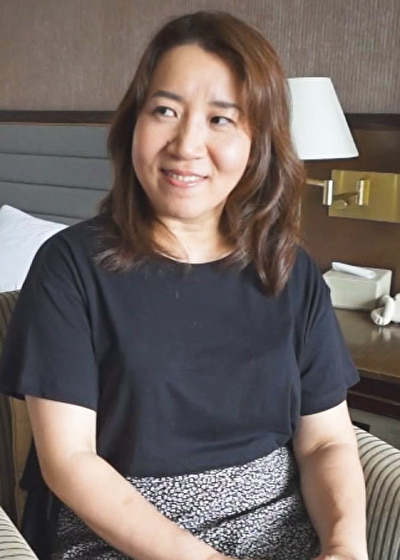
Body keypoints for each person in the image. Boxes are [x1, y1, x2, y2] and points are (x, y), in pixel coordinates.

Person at [0, 10, 368, 560]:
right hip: (121, 537)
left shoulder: (290, 270)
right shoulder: (70, 267)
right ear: (134, 124)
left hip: (280, 530)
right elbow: (70, 461)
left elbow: (326, 441)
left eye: (221, 119)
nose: (187, 144)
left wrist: (344, 545)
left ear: (257, 142)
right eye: (165, 111)